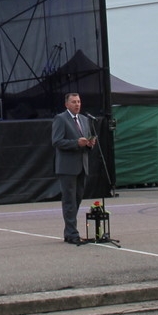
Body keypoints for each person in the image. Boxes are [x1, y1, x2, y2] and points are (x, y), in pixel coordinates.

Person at [52, 92, 97, 244]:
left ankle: (69, 231)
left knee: (76, 199)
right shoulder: (60, 119)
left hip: (82, 166)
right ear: (67, 104)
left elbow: (86, 138)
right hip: (67, 167)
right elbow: (57, 141)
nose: (77, 104)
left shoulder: (84, 120)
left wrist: (90, 144)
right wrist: (75, 143)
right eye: (73, 102)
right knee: (69, 200)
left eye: (78, 101)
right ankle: (72, 233)